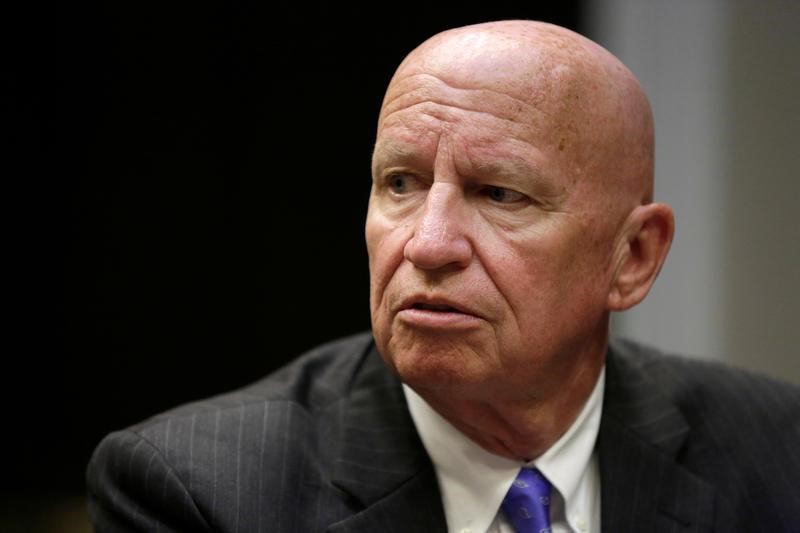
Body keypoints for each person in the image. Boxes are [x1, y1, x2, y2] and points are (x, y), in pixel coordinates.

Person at [86, 20, 800, 532]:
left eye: (500, 193)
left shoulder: (775, 449)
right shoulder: (196, 492)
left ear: (633, 256)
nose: (427, 244)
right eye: (401, 182)